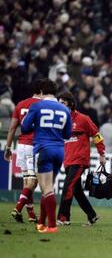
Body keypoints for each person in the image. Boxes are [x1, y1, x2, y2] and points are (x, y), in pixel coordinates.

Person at [21, 79, 72, 233]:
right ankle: (42, 223)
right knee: (48, 188)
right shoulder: (64, 110)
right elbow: (68, 134)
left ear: (41, 92)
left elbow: (24, 127)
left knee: (46, 188)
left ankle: (52, 226)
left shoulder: (37, 106)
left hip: (43, 149)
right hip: (59, 151)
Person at [57, 91, 106, 226]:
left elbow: (96, 135)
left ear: (70, 104)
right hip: (67, 160)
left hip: (79, 160)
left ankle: (63, 217)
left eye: (63, 103)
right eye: (58, 103)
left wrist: (102, 154)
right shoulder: (60, 121)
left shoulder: (83, 119)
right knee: (76, 191)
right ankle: (92, 215)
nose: (60, 106)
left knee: (67, 187)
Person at [4, 79, 42, 223]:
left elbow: (13, 127)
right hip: (34, 146)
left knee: (27, 180)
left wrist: (8, 147)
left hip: (21, 146)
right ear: (42, 91)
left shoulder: (20, 104)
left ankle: (31, 215)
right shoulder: (43, 105)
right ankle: (18, 208)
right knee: (34, 181)